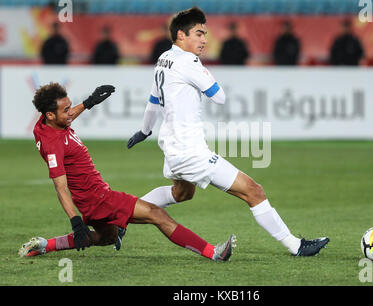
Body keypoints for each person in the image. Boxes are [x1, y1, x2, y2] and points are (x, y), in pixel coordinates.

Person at [126, 6, 329, 257]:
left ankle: (122, 217)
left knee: (182, 193)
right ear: (181, 35)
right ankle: (295, 245)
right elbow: (219, 96)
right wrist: (202, 72)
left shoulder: (163, 59)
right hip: (191, 152)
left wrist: (145, 131)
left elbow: (153, 100)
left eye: (205, 34)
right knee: (253, 190)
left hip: (171, 146)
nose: (204, 40)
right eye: (199, 34)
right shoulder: (188, 62)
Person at [18, 82, 236, 262]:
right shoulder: (52, 144)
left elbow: (64, 117)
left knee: (106, 237)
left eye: (70, 107)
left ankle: (46, 245)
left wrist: (88, 103)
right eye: (66, 110)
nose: (70, 113)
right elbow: (60, 186)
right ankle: (213, 252)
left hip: (93, 198)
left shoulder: (47, 123)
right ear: (49, 115)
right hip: (98, 198)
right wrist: (75, 220)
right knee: (156, 214)